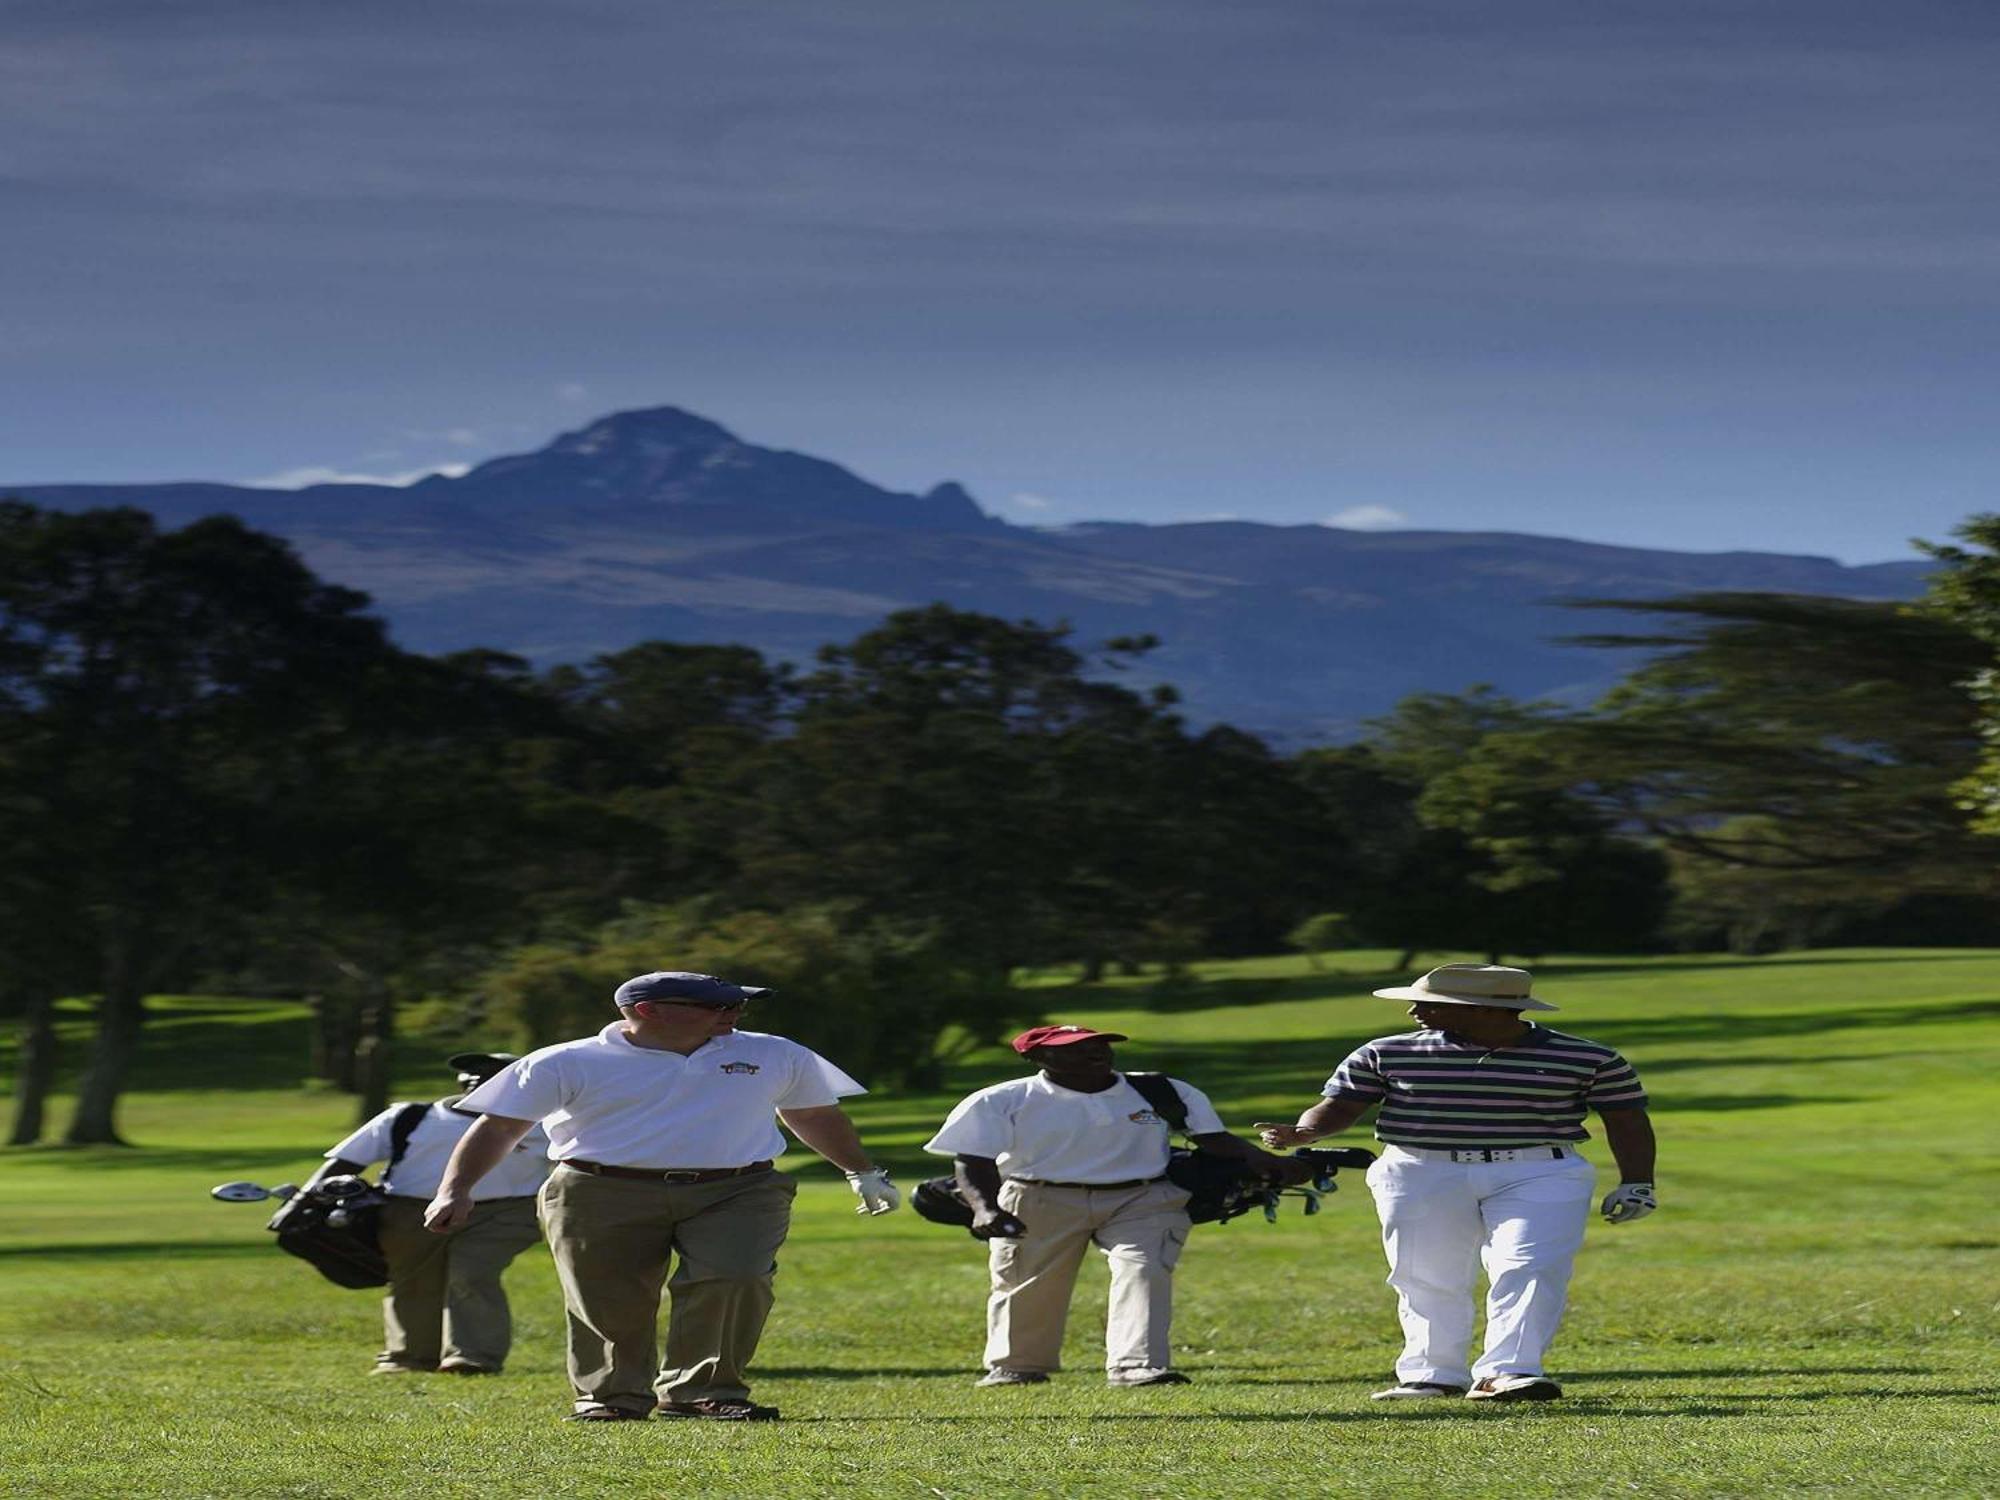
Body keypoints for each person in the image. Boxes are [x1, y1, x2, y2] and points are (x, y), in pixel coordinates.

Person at [425, 970, 900, 1423]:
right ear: (647, 1010)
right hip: (599, 1188)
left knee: (737, 1277)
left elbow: (814, 1115)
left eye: (738, 1003)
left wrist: (861, 1170)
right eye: (714, 1005)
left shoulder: (777, 1054)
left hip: (740, 1188)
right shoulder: (565, 1061)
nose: (732, 1012)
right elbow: (502, 1127)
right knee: (608, 1295)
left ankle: (706, 1392)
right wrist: (455, 1190)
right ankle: (611, 1396)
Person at [1257, 963, 1657, 1403]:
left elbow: (1627, 1120)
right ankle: (1433, 1376)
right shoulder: (1385, 1051)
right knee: (1424, 1274)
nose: (1413, 1011)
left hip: (1540, 1170)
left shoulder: (1588, 1057)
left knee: (1529, 1265)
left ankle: (1508, 1373)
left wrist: (1637, 1182)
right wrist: (1305, 1132)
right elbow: (1338, 1106)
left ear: (1484, 1009)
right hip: (1420, 1169)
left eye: (1429, 1004)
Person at [926, 1023, 1306, 1389]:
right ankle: (1017, 1367)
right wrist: (985, 1209)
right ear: (1041, 1057)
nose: (1096, 1052)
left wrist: (1269, 1163)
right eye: (1076, 1049)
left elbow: (1215, 1140)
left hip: (1142, 1195)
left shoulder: (1162, 1091)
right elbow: (972, 1161)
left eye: (1101, 1044)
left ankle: (1138, 1367)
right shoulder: (1001, 1100)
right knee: (1028, 1280)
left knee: (1145, 1269)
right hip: (1039, 1195)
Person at [316, 1051, 551, 1376]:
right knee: (413, 1279)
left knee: (472, 1272)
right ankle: (409, 1358)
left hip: (506, 1211)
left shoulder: (542, 1123)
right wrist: (305, 1200)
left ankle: (472, 1357)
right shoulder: (408, 1116)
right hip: (411, 1210)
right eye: (469, 1072)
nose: (476, 1077)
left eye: (494, 1072)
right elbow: (345, 1162)